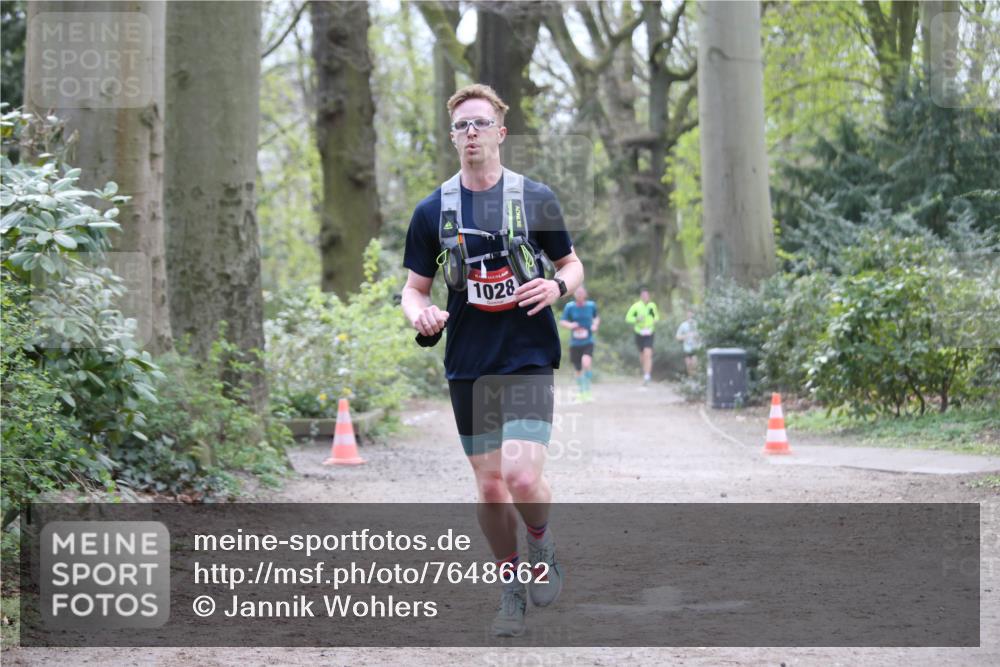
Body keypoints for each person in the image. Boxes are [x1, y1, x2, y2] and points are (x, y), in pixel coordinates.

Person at [400, 84, 584, 637]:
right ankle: (510, 587)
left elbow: (573, 266)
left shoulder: (535, 198)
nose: (471, 134)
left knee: (522, 478)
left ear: (500, 132)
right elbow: (414, 290)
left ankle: (541, 545)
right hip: (468, 362)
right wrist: (421, 315)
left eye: (480, 124)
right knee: (489, 488)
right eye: (462, 126)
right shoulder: (433, 210)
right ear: (453, 136)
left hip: (526, 354)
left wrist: (556, 288)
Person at [560, 286, 599, 401]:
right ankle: (582, 392)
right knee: (577, 369)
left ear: (585, 294)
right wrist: (571, 325)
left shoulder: (591, 305)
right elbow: (563, 321)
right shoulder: (570, 307)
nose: (580, 294)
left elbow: (596, 318)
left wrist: (595, 325)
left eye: (582, 292)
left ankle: (587, 390)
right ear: (574, 294)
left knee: (586, 363)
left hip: (588, 341)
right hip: (575, 343)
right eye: (578, 292)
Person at [625, 287, 660, 385]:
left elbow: (656, 316)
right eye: (643, 295)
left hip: (649, 332)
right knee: (642, 355)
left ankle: (647, 375)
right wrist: (636, 319)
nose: (645, 297)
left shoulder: (652, 306)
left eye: (647, 295)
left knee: (647, 353)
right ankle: (645, 371)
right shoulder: (636, 306)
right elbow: (628, 318)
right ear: (641, 296)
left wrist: (655, 320)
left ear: (649, 296)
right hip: (639, 332)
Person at [675, 309, 701, 376]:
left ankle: (696, 380)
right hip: (686, 348)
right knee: (688, 365)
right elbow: (677, 337)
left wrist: (696, 336)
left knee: (694, 364)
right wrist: (685, 336)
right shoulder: (683, 325)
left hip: (695, 348)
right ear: (686, 315)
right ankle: (691, 380)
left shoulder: (697, 324)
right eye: (688, 314)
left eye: (691, 314)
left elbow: (701, 335)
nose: (690, 316)